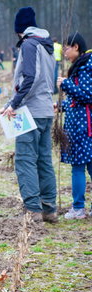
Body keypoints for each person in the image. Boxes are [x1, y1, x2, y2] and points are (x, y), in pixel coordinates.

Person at [0, 6, 58, 223]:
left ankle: (33, 209)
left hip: (29, 111)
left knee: (25, 160)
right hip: (44, 110)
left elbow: (29, 78)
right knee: (44, 160)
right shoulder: (48, 45)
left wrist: (13, 104)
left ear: (19, 30)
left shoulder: (29, 44)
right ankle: (49, 208)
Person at [57, 32, 92, 219]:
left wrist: (66, 85)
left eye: (66, 48)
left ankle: (78, 208)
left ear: (76, 47)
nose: (64, 52)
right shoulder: (81, 65)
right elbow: (76, 102)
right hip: (80, 123)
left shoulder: (87, 66)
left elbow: (87, 95)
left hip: (83, 127)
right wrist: (60, 106)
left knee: (78, 166)